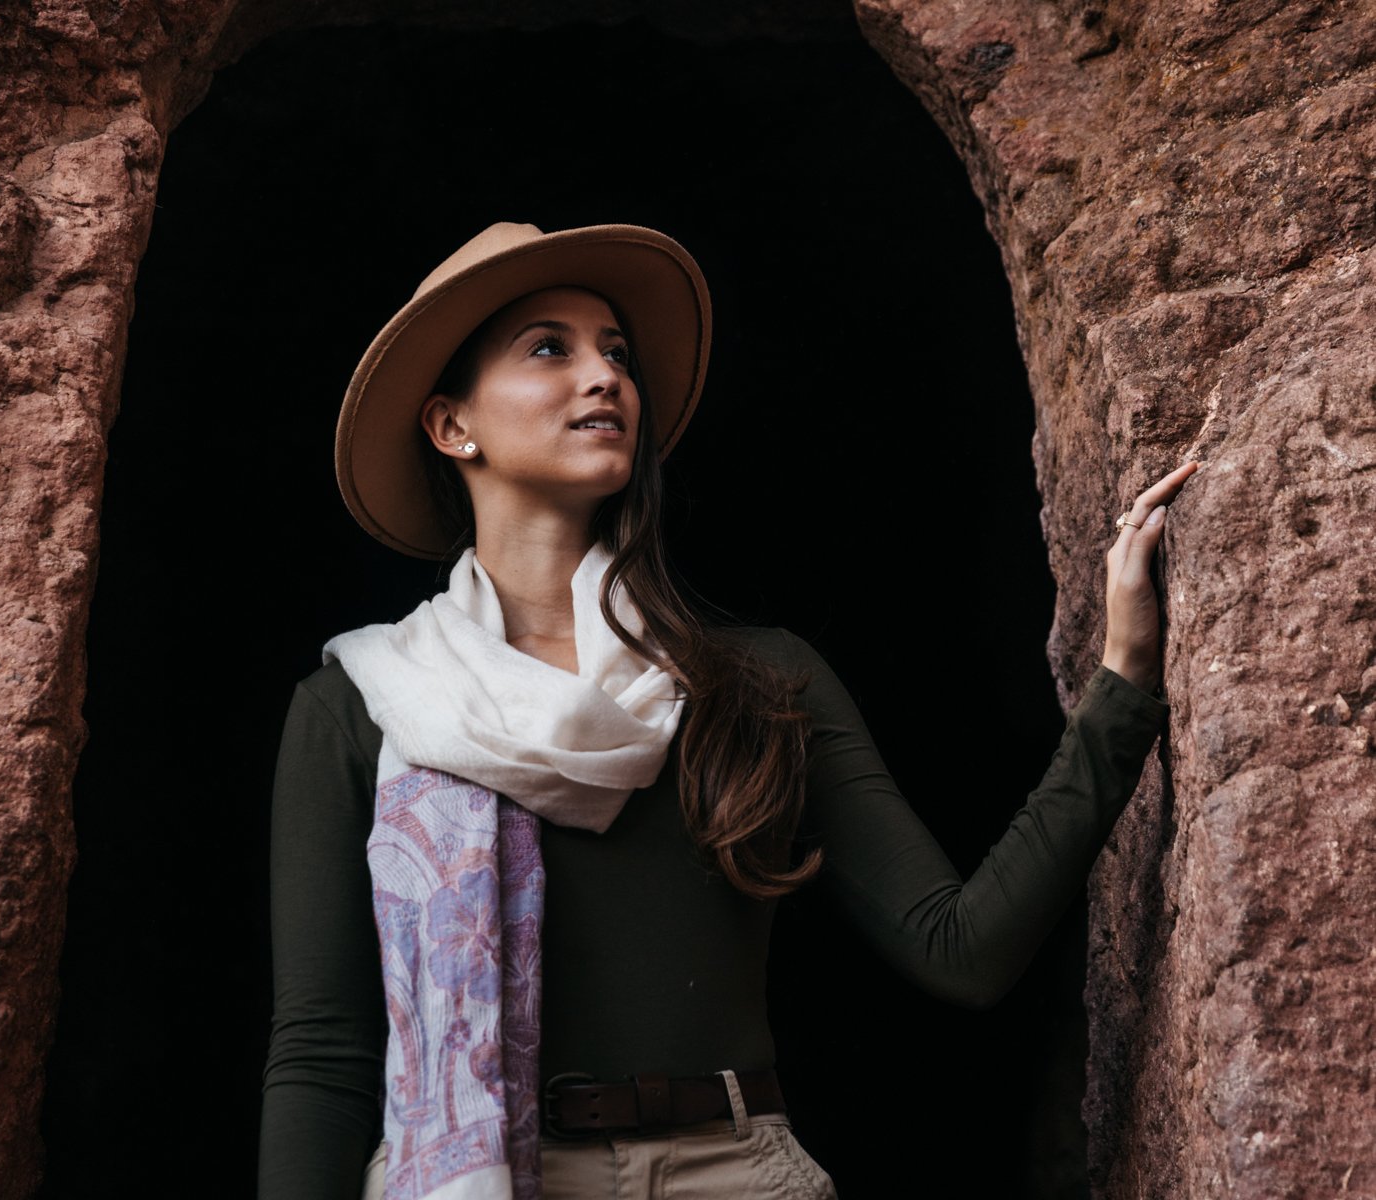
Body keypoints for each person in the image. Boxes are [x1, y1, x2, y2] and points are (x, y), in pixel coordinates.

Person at [257, 221, 1198, 1200]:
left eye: (616, 352)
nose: (604, 375)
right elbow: (323, 1053)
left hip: (736, 1172)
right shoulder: (365, 707)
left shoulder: (759, 680)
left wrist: (1122, 689)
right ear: (454, 426)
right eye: (551, 347)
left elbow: (960, 948)